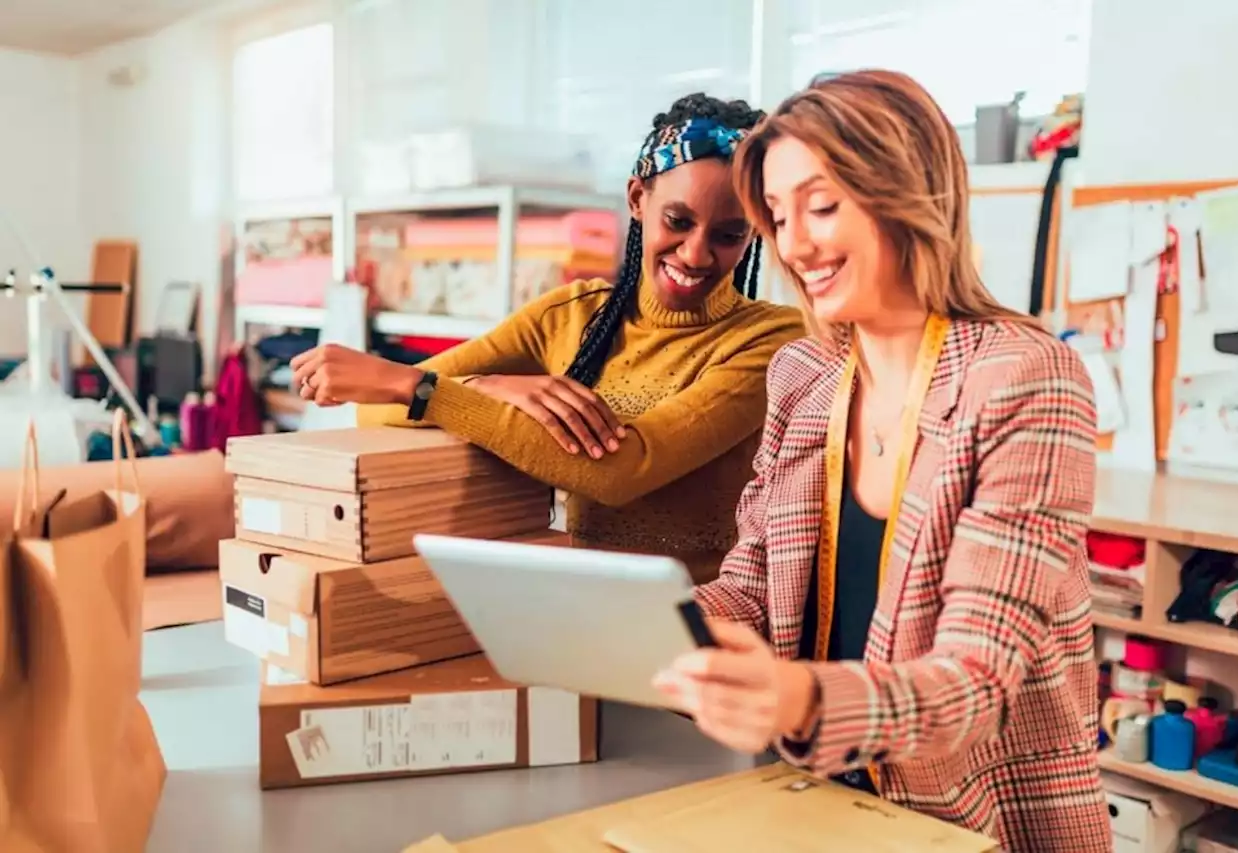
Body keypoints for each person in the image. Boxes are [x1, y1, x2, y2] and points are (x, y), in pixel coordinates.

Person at [652, 71, 1111, 852]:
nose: (795, 244)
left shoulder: (1024, 377)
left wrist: (796, 697)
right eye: (779, 215)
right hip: (821, 801)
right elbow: (755, 586)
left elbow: (973, 683)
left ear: (906, 192)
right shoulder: (804, 377)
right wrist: (662, 626)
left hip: (978, 823)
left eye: (822, 206)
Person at [290, 94, 805, 583]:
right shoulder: (572, 314)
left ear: (754, 232)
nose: (695, 254)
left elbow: (623, 469)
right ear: (636, 199)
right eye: (678, 220)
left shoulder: (770, 341)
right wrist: (487, 385)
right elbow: (374, 408)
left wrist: (429, 390)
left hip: (706, 631)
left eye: (728, 235)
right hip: (579, 617)